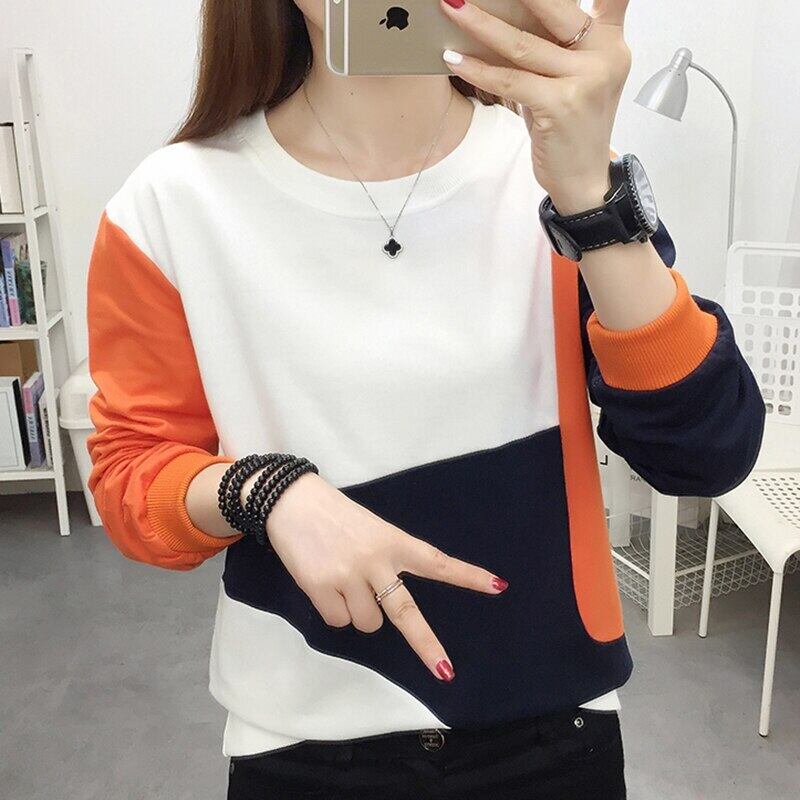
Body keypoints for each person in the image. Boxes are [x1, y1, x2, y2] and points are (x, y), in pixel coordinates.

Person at [85, 1, 765, 798]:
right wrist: (263, 491)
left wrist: (590, 194)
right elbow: (130, 472)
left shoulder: (556, 169)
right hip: (305, 736)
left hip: (555, 726)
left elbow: (706, 452)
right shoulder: (171, 203)